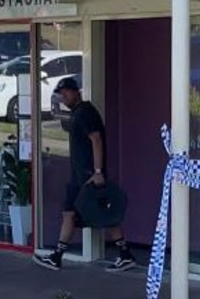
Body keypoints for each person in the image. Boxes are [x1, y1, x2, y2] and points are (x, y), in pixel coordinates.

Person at [33, 76, 137, 272]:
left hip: (89, 176)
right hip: (79, 176)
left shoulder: (85, 113)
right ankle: (57, 256)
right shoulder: (78, 114)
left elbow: (96, 140)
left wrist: (98, 172)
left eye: (66, 94)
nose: (64, 98)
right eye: (61, 95)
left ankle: (125, 255)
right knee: (70, 213)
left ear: (76, 92)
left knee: (104, 213)